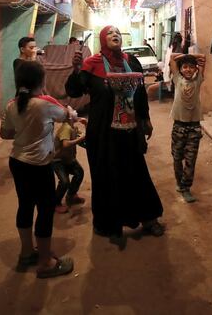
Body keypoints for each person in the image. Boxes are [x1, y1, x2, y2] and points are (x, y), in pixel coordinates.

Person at [65, 26, 164, 240]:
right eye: (109, 33)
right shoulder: (91, 65)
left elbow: (140, 96)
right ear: (103, 39)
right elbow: (73, 91)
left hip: (129, 129)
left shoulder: (131, 61)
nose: (114, 35)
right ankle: (109, 224)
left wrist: (145, 119)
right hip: (102, 132)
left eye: (117, 32)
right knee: (106, 176)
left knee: (136, 172)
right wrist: (75, 70)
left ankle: (149, 218)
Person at [1, 61, 82, 278]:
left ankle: (27, 252)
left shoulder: (12, 105)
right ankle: (45, 262)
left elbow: (5, 134)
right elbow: (69, 116)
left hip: (17, 162)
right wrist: (71, 112)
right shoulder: (44, 105)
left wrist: (25, 131)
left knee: (25, 206)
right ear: (41, 81)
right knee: (45, 211)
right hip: (39, 165)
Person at [168, 53, 206, 203]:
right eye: (185, 66)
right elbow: (172, 57)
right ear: (180, 69)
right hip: (178, 126)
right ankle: (179, 182)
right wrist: (186, 56)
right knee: (177, 158)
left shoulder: (198, 80)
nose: (188, 69)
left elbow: (203, 58)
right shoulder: (177, 79)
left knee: (191, 159)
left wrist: (195, 58)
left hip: (194, 128)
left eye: (191, 67)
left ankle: (186, 188)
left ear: (196, 69)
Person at [52, 122, 86, 213]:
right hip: (58, 160)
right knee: (64, 182)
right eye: (72, 110)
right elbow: (66, 144)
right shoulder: (66, 128)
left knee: (79, 173)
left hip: (69, 159)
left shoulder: (73, 128)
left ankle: (71, 195)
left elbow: (83, 138)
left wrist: (86, 126)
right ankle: (55, 203)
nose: (75, 111)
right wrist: (81, 138)